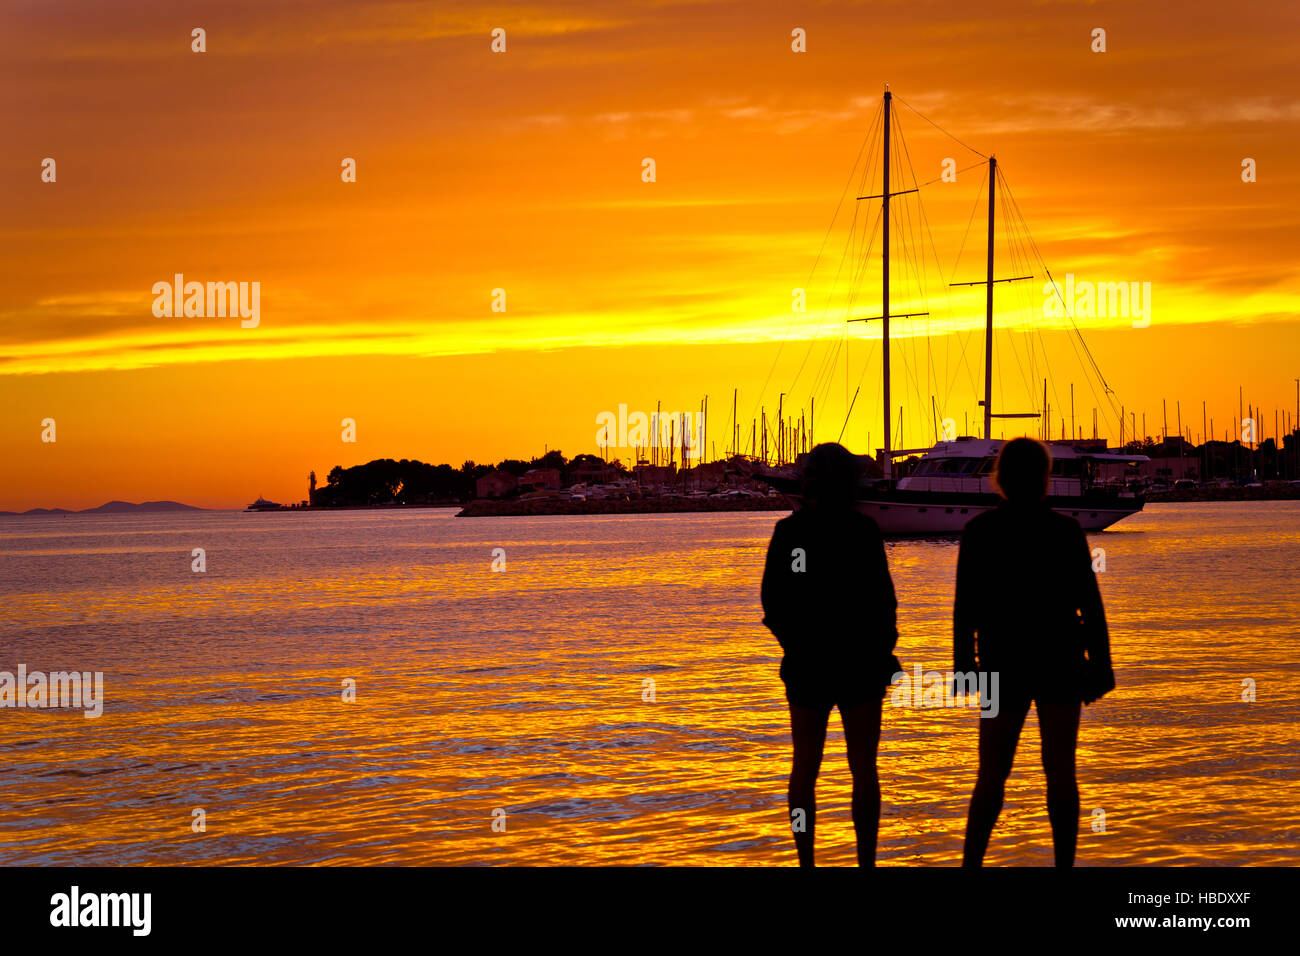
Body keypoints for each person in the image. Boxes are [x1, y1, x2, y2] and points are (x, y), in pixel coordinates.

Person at [954, 436, 1115, 867]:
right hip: (1059, 661)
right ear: (1044, 479)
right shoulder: (1064, 531)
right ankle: (1065, 863)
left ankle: (971, 864)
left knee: (991, 775)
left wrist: (964, 667)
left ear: (1000, 479)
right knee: (1060, 769)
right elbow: (1090, 604)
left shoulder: (979, 532)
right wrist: (1102, 666)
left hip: (1001, 663)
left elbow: (964, 608)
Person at [761, 442, 899, 866]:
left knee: (804, 769)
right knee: (864, 771)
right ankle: (866, 861)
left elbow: (774, 603)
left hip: (808, 665)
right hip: (860, 664)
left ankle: (806, 861)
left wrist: (797, 645)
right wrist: (880, 650)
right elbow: (883, 602)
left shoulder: (790, 533)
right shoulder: (863, 531)